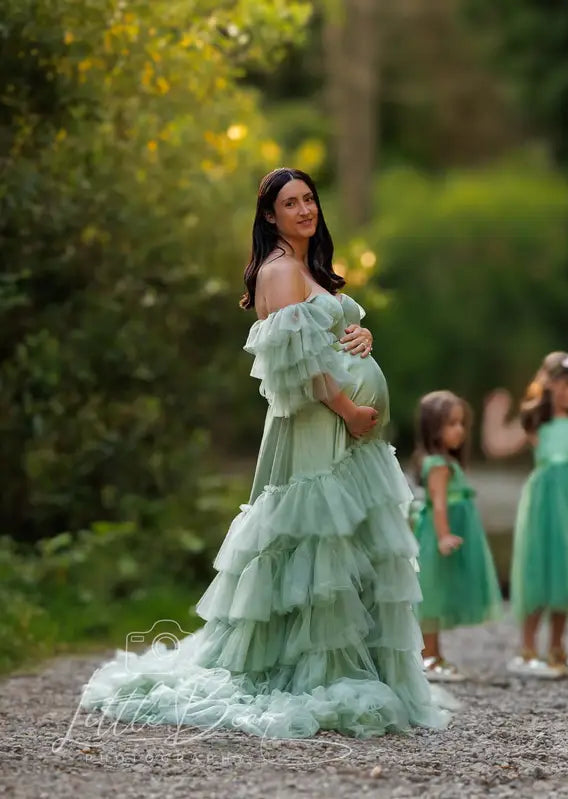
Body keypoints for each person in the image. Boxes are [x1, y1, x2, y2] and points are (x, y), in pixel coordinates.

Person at [80, 167, 453, 738]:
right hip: (315, 433)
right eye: (290, 203)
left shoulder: (309, 270)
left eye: (310, 199)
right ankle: (308, 669)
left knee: (348, 551)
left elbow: (326, 338)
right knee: (313, 549)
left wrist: (364, 338)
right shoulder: (279, 272)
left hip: (347, 442)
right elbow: (296, 368)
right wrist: (349, 410)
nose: (305, 210)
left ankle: (350, 663)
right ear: (270, 216)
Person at [481, 351, 568, 678]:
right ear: (550, 383)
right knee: (541, 571)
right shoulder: (537, 421)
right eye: (567, 385)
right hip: (547, 508)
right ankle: (528, 649)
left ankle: (557, 648)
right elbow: (497, 445)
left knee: (567, 574)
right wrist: (493, 413)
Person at [410, 391, 504, 681]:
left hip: (450, 530)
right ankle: (429, 657)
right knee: (433, 594)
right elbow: (438, 503)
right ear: (432, 427)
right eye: (451, 424)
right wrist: (443, 535)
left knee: (439, 593)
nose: (459, 431)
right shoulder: (438, 464)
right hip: (439, 534)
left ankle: (435, 655)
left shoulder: (447, 461)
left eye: (461, 424)